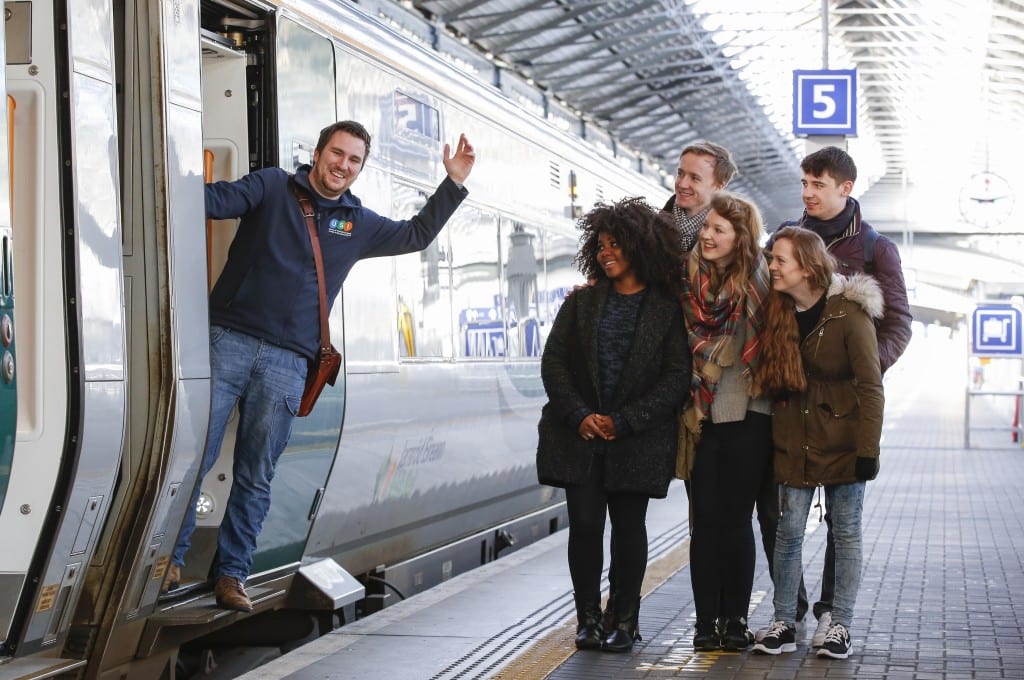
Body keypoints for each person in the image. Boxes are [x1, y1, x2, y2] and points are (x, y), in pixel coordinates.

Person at [164, 121, 475, 612]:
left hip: (290, 361)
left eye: (354, 160)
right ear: (317, 153)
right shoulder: (270, 186)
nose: (343, 166)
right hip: (229, 341)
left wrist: (452, 183)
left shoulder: (357, 223)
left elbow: (416, 235)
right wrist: (159, 167)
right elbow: (211, 201)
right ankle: (169, 563)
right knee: (194, 458)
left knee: (255, 474)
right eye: (337, 154)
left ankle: (231, 575)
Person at [754, 146, 911, 647]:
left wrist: (852, 363)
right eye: (805, 183)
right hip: (794, 415)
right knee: (785, 524)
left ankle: (832, 615)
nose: (808, 193)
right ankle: (789, 612)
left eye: (818, 184)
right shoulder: (783, 239)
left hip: (840, 415)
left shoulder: (874, 248)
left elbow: (898, 323)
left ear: (845, 188)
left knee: (844, 526)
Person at [536, 198, 690, 654]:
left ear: (640, 248)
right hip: (579, 437)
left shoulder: (666, 310)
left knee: (628, 530)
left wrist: (625, 421)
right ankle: (587, 619)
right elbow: (554, 363)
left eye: (615, 245)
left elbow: (676, 378)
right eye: (600, 245)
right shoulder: (581, 302)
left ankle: (623, 618)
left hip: (636, 441)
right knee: (584, 526)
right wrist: (579, 415)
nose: (606, 253)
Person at [752, 227, 884, 659]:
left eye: (779, 260)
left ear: (806, 267)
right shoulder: (778, 310)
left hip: (844, 440)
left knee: (845, 533)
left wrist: (869, 450)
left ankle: (840, 624)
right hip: (794, 437)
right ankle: (784, 621)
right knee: (788, 532)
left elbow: (870, 385)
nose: (771, 266)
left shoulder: (848, 313)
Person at [678, 191, 772, 651]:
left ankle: (734, 621)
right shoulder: (687, 276)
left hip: (750, 412)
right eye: (708, 227)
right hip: (699, 413)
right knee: (704, 523)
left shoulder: (761, 279)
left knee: (736, 521)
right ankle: (703, 624)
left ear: (740, 237)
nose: (709, 235)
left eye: (720, 229)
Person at [661, 141, 739, 252]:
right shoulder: (648, 226)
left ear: (718, 187)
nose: (682, 184)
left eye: (695, 178)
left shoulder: (728, 249)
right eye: (680, 173)